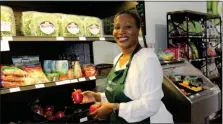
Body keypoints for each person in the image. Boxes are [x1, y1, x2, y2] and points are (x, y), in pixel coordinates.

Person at [80, 10, 174, 123]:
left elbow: (150, 104)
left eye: (128, 26)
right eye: (117, 27)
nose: (121, 32)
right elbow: (122, 95)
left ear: (138, 30)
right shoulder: (118, 58)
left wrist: (113, 108)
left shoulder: (147, 59)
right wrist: (96, 97)